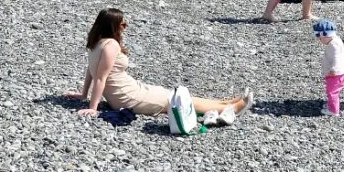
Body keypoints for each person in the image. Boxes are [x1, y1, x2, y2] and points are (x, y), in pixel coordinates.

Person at [66, 8, 253, 120]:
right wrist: (93, 107)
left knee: (174, 95)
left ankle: (226, 102)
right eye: (123, 25)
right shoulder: (111, 45)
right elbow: (100, 77)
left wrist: (83, 94)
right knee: (175, 101)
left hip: (130, 89)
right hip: (126, 96)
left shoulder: (95, 42)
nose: (125, 28)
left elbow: (91, 70)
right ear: (113, 26)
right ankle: (232, 109)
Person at [315, 19, 344, 117]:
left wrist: (334, 69)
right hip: (339, 73)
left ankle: (334, 111)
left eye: (319, 37)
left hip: (336, 74)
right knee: (333, 91)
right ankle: (331, 105)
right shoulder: (336, 40)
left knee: (332, 92)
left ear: (325, 34)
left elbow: (337, 57)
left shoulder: (334, 45)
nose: (319, 40)